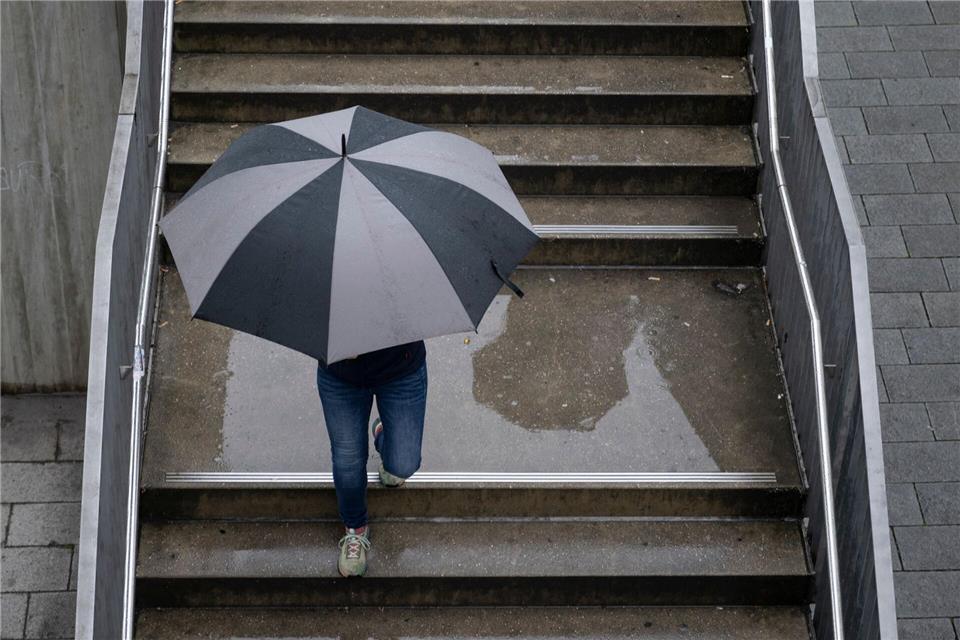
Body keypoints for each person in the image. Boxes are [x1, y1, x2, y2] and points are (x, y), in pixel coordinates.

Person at [316, 340, 428, 577]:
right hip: (340, 375)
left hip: (401, 368)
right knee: (348, 462)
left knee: (403, 463)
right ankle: (355, 528)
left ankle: (382, 437)